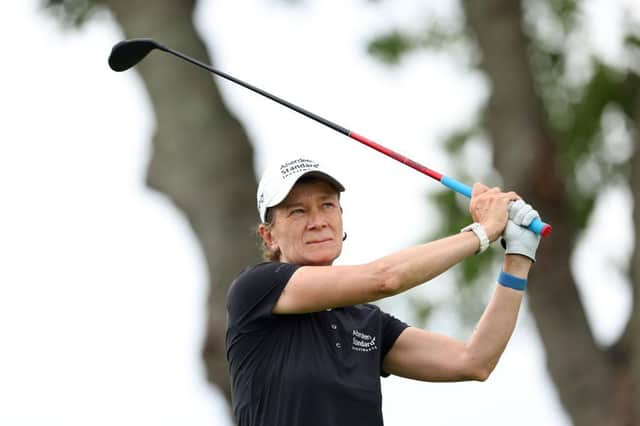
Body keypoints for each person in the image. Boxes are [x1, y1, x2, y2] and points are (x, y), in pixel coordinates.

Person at [225, 157, 541, 426]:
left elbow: (473, 361)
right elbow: (384, 278)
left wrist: (519, 256)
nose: (318, 221)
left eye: (327, 205)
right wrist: (483, 231)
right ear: (269, 237)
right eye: (298, 211)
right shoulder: (257, 288)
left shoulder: (366, 323)